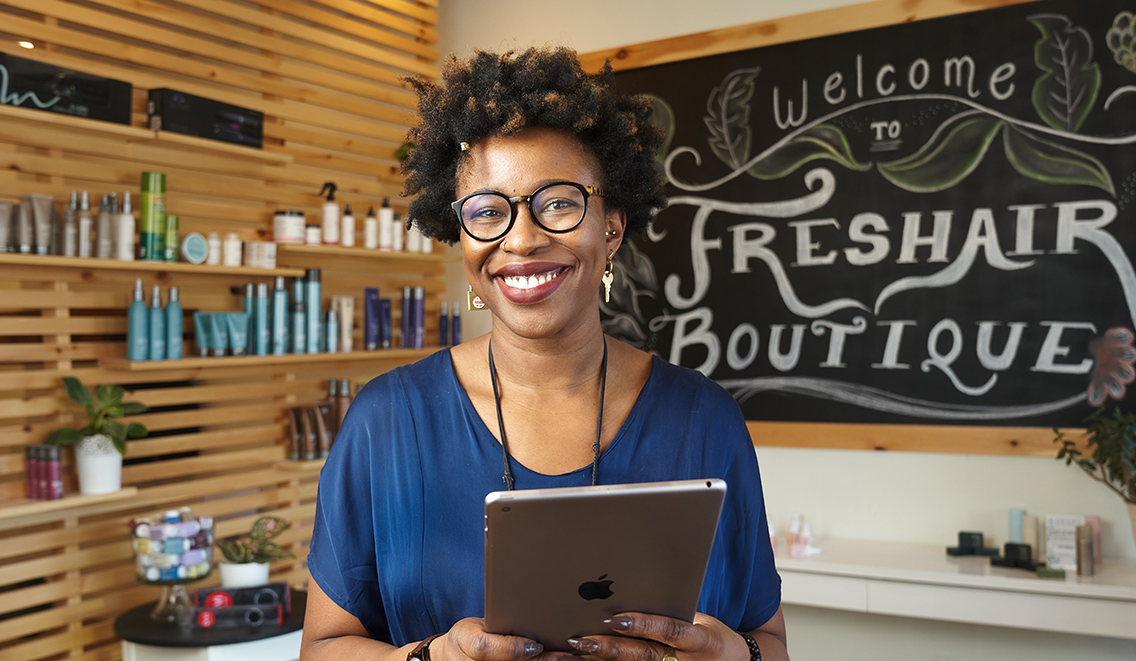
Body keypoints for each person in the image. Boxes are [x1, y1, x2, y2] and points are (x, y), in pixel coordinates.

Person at [302, 48, 786, 661]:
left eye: (557, 201)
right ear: (461, 237)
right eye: (486, 212)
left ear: (611, 224)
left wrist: (737, 655)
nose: (522, 238)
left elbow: (769, 641)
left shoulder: (705, 420)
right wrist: (429, 658)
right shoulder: (386, 422)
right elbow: (322, 649)